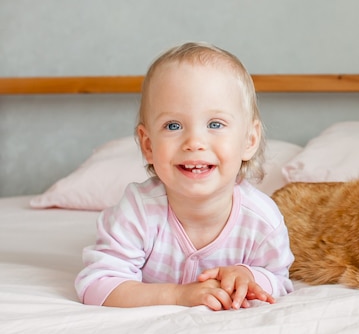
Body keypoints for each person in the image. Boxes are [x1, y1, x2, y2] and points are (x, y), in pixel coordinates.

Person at [75, 42, 294, 310]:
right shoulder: (137, 211)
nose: (194, 142)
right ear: (148, 145)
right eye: (173, 125)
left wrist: (250, 276)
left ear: (249, 140)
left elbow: (279, 280)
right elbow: (98, 285)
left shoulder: (262, 221)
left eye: (215, 124)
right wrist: (178, 295)